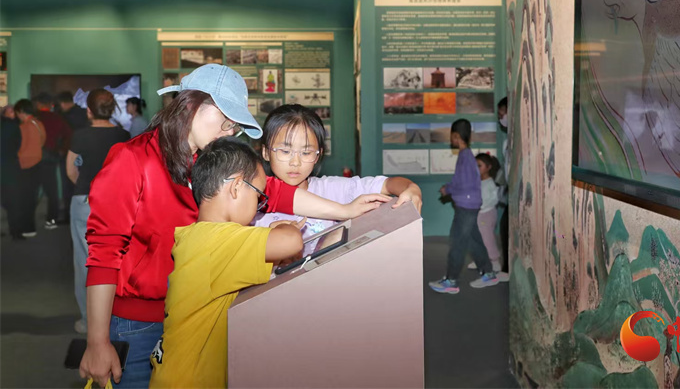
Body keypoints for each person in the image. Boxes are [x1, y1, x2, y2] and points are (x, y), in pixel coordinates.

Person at [80, 65, 386, 389]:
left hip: (194, 314)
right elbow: (104, 253)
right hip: (138, 322)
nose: (228, 131)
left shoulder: (203, 161)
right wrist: (97, 341)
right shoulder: (132, 159)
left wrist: (344, 210)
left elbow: (272, 191)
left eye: (234, 126)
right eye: (226, 120)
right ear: (191, 104)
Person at [149, 137, 304, 389]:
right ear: (236, 187)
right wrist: (285, 228)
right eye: (259, 197)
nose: (258, 207)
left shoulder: (198, 236)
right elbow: (291, 241)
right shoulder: (218, 240)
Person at [253, 104, 423, 248]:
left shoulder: (332, 188)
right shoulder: (252, 198)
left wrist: (411, 188)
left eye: (306, 153)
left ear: (318, 155)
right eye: (285, 151)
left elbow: (388, 184)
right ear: (266, 152)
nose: (295, 162)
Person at [67, 89, 129, 335]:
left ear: (89, 111)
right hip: (116, 203)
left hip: (85, 200)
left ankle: (88, 320)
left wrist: (88, 190)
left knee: (85, 261)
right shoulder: (122, 135)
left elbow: (71, 170)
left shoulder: (80, 135)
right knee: (116, 260)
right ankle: (113, 317)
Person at [429, 119, 499, 294]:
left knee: (457, 243)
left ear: (456, 135)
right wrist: (449, 187)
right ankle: (488, 273)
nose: (450, 139)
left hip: (466, 206)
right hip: (469, 205)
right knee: (474, 241)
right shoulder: (466, 155)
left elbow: (465, 185)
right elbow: (463, 181)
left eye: (451, 136)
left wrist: (448, 189)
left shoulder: (465, 156)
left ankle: (451, 281)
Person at [33, 93, 71, 230]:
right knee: (52, 192)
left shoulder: (33, 118)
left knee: (30, 191)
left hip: (32, 159)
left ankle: (26, 222)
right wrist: (61, 150)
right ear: (50, 105)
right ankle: (51, 220)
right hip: (50, 158)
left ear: (38, 104)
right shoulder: (57, 118)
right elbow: (68, 135)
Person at [13, 99, 46, 238]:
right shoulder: (38, 123)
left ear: (21, 111)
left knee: (24, 199)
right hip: (37, 163)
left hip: (25, 165)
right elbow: (42, 141)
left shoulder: (24, 127)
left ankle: (27, 227)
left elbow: (20, 147)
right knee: (31, 198)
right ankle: (30, 227)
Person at [57, 91, 89, 223]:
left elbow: (62, 136)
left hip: (68, 154)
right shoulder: (84, 113)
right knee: (81, 184)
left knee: (68, 186)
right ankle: (83, 213)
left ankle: (68, 215)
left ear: (62, 103)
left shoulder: (62, 117)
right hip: (84, 154)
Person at [1, 106, 24, 240]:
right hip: (10, 167)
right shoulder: (15, 127)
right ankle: (15, 231)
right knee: (14, 201)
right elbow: (18, 145)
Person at [497, 97, 509, 276]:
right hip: (511, 193)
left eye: (502, 114)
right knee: (505, 227)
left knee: (506, 227)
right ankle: (506, 267)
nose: (501, 119)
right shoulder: (507, 142)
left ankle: (507, 269)